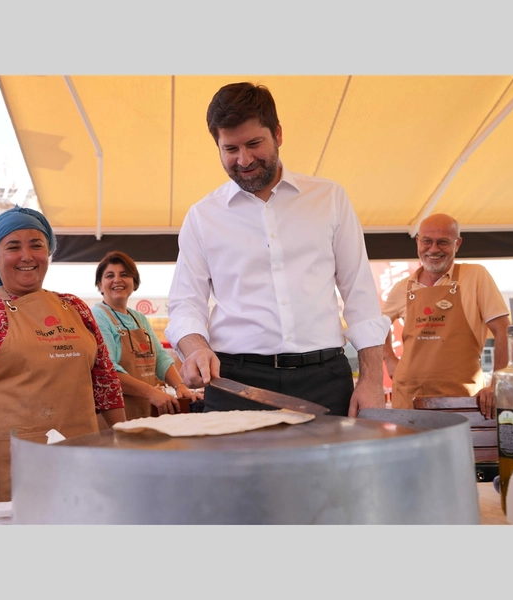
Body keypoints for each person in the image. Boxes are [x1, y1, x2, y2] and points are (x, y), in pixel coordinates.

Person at [165, 81, 390, 417]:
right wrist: (195, 346)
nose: (243, 160)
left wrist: (372, 379)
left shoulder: (329, 198)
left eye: (254, 143)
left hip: (325, 379)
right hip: (234, 383)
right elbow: (185, 302)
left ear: (278, 134)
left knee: (331, 472)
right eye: (230, 149)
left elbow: (360, 293)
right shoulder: (202, 216)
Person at [0, 206, 125, 503]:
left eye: (37, 245)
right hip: (4, 466)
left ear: (49, 252)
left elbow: (106, 382)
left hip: (79, 458)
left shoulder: (76, 307)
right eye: (13, 247)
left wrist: (124, 437)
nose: (27, 256)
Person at [381, 214, 510, 418]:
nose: (433, 249)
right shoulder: (402, 287)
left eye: (443, 242)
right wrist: (389, 359)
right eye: (427, 241)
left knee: (459, 450)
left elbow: (504, 331)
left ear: (457, 244)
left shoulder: (475, 276)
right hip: (408, 396)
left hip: (462, 397)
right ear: (418, 242)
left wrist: (497, 385)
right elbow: (378, 325)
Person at [92, 251, 202, 423]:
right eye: (109, 276)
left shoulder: (138, 317)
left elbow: (160, 359)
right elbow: (108, 371)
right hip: (116, 414)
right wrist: (152, 393)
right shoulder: (98, 316)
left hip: (144, 409)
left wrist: (181, 386)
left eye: (124, 274)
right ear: (99, 284)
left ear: (134, 282)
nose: (117, 280)